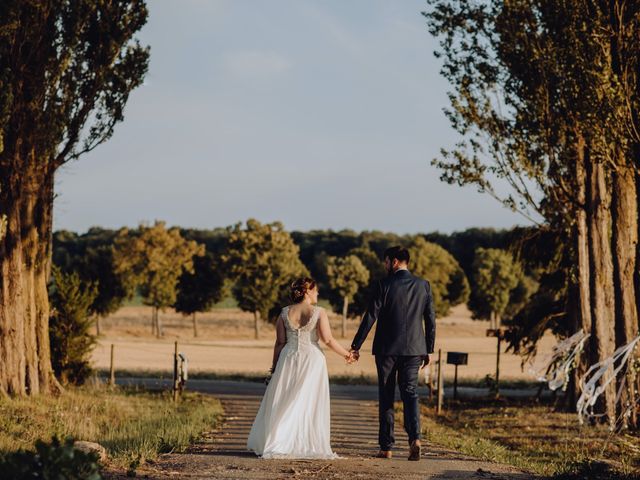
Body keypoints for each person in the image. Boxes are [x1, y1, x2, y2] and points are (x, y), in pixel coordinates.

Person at [247, 277, 355, 459]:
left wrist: (274, 368)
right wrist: (347, 354)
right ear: (307, 291)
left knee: (285, 399)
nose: (318, 293)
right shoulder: (319, 312)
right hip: (312, 360)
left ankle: (279, 439)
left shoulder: (283, 313)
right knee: (308, 401)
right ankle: (303, 441)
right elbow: (327, 340)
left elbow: (280, 342)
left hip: (287, 359)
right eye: (316, 290)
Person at [350, 246, 436, 461]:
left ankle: (386, 448)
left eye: (386, 261)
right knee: (410, 393)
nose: (385, 265)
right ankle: (415, 438)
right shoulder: (423, 285)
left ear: (395, 261)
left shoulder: (383, 285)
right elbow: (430, 321)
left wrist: (356, 345)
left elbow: (370, 316)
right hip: (415, 349)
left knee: (386, 395)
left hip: (386, 350)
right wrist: (429, 349)